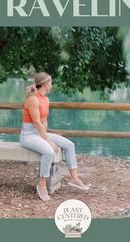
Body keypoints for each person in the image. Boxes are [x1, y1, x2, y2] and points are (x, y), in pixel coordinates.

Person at [20, 72, 89, 201]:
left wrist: (46, 137)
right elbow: (36, 122)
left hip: (40, 133)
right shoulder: (33, 99)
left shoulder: (46, 99)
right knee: (48, 151)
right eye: (50, 82)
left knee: (69, 145)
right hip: (28, 135)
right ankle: (42, 185)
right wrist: (48, 141)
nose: (51, 85)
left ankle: (74, 178)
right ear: (45, 84)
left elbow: (44, 122)